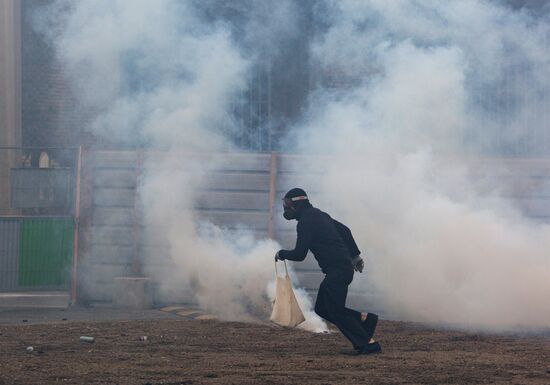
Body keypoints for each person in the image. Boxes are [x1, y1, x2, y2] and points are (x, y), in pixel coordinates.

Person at [275, 188, 380, 355]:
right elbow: (345, 230)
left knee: (336, 311)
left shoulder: (305, 223)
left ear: (297, 204)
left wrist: (282, 254)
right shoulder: (320, 214)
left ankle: (368, 344)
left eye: (288, 205)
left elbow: (299, 254)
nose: (285, 210)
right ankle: (365, 319)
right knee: (323, 309)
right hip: (340, 270)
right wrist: (355, 256)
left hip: (338, 271)